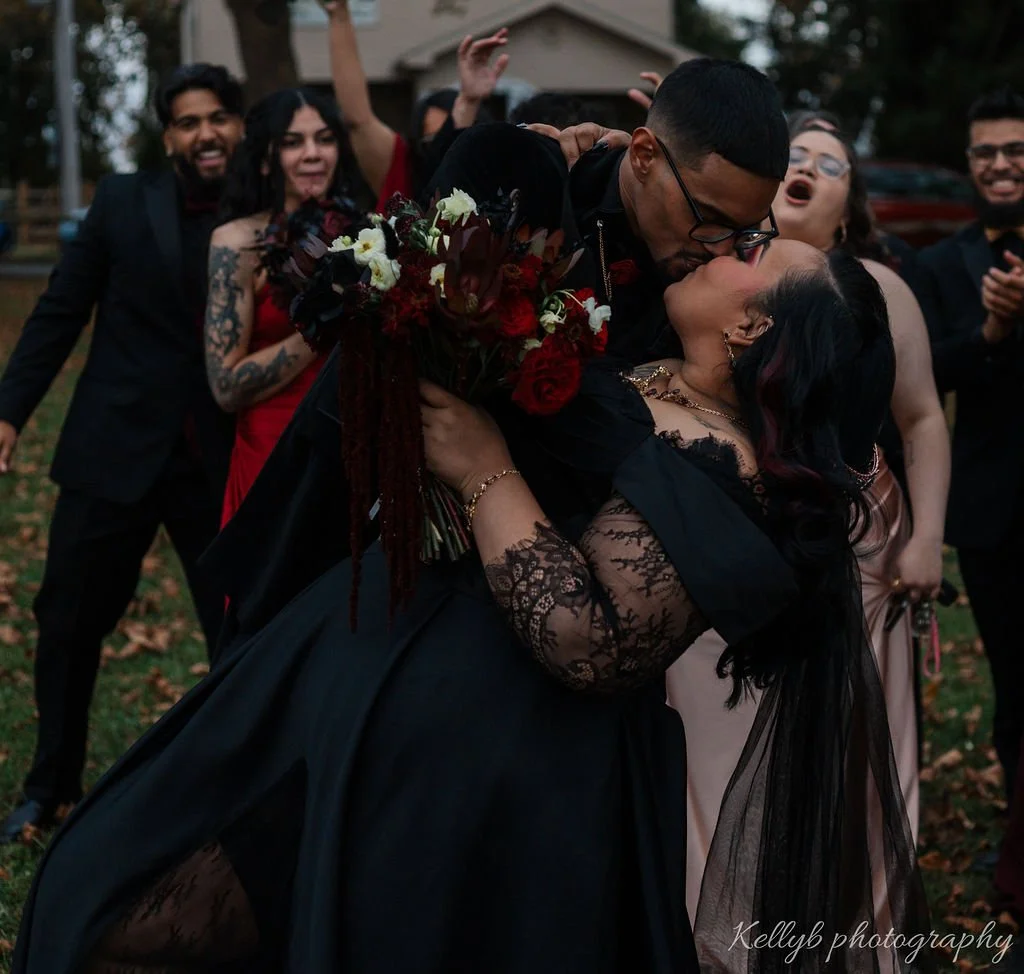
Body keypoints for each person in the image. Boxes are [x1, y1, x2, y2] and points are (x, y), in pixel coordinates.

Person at [14, 235, 932, 973]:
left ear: (751, 328)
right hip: (368, 667)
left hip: (473, 756)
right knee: (128, 879)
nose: (733, 245)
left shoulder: (726, 472)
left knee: (189, 913)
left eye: (756, 254)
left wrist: (481, 466)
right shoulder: (658, 379)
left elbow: (588, 642)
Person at [202, 58, 792, 651]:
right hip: (367, 516)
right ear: (643, 155)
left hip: (520, 588)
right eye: (710, 220)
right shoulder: (522, 170)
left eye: (745, 231)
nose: (724, 250)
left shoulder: (698, 288)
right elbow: (415, 337)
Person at [669, 120, 950, 918]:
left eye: (831, 165)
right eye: (796, 155)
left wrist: (926, 536)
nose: (809, 169)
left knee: (843, 734)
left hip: (856, 544)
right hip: (734, 531)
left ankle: (850, 910)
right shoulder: (714, 278)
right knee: (720, 726)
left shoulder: (882, 290)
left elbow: (924, 416)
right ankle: (713, 909)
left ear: (847, 204)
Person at [0, 64, 244, 843]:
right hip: (114, 450)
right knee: (67, 622)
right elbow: (60, 312)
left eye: (218, 117)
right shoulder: (120, 201)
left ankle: (243, 790)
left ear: (238, 125)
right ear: (167, 134)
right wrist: (8, 415)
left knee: (240, 630)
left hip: (219, 461)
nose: (205, 133)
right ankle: (49, 788)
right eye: (187, 121)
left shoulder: (270, 208)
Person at [918, 87, 1024, 807]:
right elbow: (930, 375)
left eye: (1015, 149)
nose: (1000, 164)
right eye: (985, 152)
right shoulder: (941, 265)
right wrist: (989, 334)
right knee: (1014, 681)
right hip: (995, 512)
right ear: (968, 163)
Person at [206, 88, 361, 526]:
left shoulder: (368, 234)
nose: (313, 154)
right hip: (274, 455)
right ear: (264, 159)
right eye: (292, 142)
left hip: (355, 451)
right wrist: (324, 322)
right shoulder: (236, 245)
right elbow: (225, 386)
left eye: (325, 139)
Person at [321, 0, 507, 208]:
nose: (445, 150)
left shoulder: (506, 195)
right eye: (431, 142)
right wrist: (340, 16)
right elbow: (358, 118)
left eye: (458, 139)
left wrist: (469, 102)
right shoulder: (402, 180)